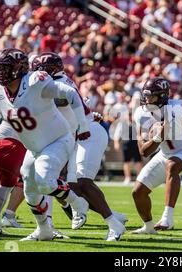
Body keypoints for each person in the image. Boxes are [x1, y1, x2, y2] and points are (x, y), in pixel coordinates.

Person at [0, 48, 89, 241]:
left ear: (19, 68)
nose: (0, 73)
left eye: (5, 68)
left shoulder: (35, 82)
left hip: (57, 139)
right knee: (30, 192)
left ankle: (77, 203)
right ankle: (44, 230)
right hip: (34, 147)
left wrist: (83, 125)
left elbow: (70, 93)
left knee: (45, 180)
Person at [31, 52, 126, 240]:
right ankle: (112, 216)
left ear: (49, 70)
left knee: (83, 183)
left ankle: (113, 224)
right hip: (76, 134)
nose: (36, 74)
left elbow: (63, 99)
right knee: (68, 187)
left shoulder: (60, 83)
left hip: (87, 132)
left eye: (40, 70)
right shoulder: (56, 81)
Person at [132, 77, 182, 234]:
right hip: (164, 154)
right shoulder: (140, 114)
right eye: (146, 95)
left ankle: (167, 218)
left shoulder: (178, 107)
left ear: (163, 96)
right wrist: (158, 137)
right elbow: (144, 152)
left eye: (151, 96)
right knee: (138, 192)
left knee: (172, 164)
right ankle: (149, 227)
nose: (147, 99)